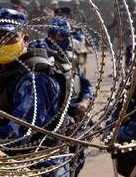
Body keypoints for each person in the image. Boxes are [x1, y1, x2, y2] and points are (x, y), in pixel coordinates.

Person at [0, 8, 67, 174]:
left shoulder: (34, 79)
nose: (1, 42)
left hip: (39, 168)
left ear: (25, 39)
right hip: (9, 163)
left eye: (9, 36)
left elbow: (20, 131)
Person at [30, 18, 92, 176]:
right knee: (59, 165)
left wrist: (85, 100)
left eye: (68, 36)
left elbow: (84, 82)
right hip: (56, 122)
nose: (66, 41)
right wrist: (69, 110)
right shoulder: (41, 59)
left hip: (76, 116)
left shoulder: (70, 56)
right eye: (62, 37)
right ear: (51, 36)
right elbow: (49, 96)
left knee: (77, 160)